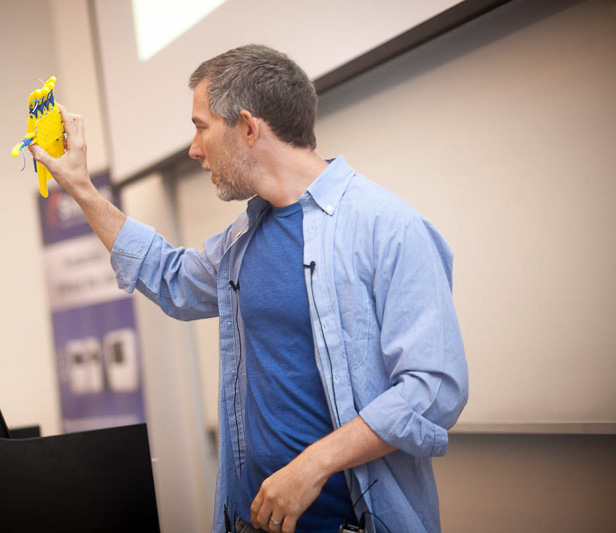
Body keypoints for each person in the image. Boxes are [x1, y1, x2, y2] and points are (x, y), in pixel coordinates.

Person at [30, 44, 468, 533]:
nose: (194, 149)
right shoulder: (243, 238)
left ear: (247, 127)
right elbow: (171, 277)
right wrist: (81, 187)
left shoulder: (389, 227)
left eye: (201, 127)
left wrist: (313, 464)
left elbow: (432, 389)